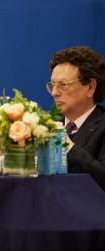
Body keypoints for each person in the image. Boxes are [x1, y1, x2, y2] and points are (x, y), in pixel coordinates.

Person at [47, 46, 105, 190]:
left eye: (63, 85)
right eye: (53, 85)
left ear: (90, 87)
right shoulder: (44, 126)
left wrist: (66, 147)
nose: (54, 93)